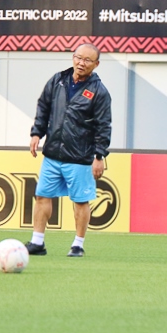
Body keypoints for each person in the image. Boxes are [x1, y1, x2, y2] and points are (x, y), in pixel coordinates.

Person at [26, 43, 111, 258]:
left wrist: (99, 156)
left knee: (80, 201)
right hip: (52, 153)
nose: (81, 63)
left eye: (87, 60)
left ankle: (78, 245)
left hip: (80, 157)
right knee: (42, 196)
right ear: (73, 57)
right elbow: (43, 107)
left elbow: (103, 125)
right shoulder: (58, 80)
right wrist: (36, 133)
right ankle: (37, 242)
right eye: (78, 57)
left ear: (96, 64)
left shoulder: (99, 92)